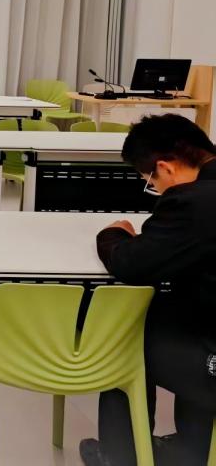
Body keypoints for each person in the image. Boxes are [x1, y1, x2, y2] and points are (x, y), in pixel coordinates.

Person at [80, 114, 216, 466]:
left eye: (151, 182)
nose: (155, 189)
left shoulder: (191, 202)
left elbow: (130, 263)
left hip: (210, 358)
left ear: (165, 168)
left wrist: (114, 233)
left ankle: (119, 456)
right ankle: (194, 449)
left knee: (124, 337)